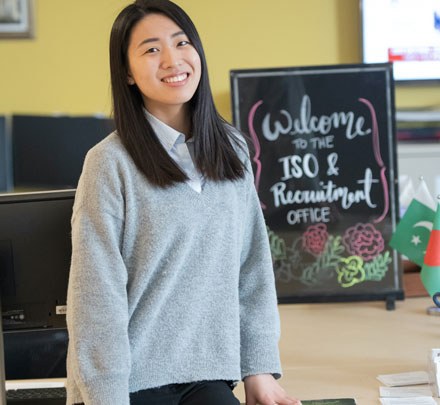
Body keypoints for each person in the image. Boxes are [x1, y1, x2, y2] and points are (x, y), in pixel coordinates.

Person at [66, 1, 301, 404]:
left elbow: (252, 270)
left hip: (208, 375)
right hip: (129, 381)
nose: (173, 59)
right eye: (152, 49)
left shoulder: (233, 149)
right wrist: (105, 396)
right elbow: (95, 297)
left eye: (182, 42)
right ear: (126, 72)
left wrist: (258, 370)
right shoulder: (109, 163)